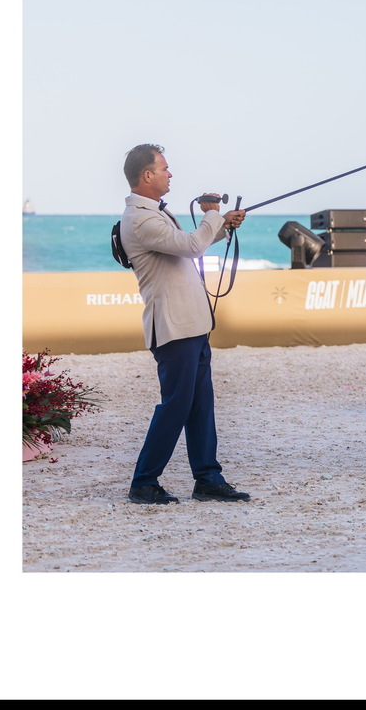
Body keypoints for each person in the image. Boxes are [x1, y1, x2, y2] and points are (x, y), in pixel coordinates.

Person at [119, 142, 251, 505]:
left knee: (200, 404)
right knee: (176, 405)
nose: (170, 173)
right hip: (174, 327)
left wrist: (221, 226)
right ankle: (143, 481)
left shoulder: (151, 214)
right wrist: (212, 213)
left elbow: (183, 244)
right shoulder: (140, 218)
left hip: (191, 324)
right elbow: (192, 246)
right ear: (147, 176)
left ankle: (207, 478)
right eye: (164, 168)